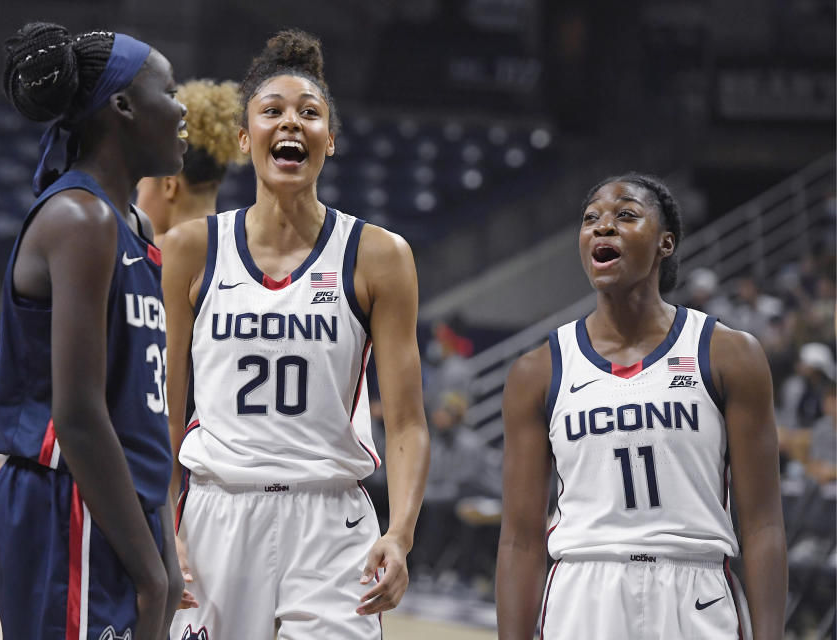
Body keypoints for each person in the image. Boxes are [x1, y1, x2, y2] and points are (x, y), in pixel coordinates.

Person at [162, 29, 430, 638]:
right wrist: (160, 520)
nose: (292, 123)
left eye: (310, 113)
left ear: (329, 141)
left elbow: (409, 420)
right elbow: (167, 410)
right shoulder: (187, 250)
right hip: (215, 513)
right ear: (242, 137)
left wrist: (401, 531)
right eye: (272, 111)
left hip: (330, 518)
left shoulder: (379, 255)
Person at [496, 174, 787, 640]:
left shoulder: (729, 353)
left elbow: (763, 525)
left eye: (625, 215)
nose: (603, 227)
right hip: (584, 589)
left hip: (696, 591)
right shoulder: (538, 371)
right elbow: (520, 539)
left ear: (665, 242)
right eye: (591, 219)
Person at [0, 22, 194, 640]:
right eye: (170, 90)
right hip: (66, 501)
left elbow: (140, 414)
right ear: (123, 105)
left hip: (118, 506)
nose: (181, 108)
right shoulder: (80, 219)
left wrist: (162, 549)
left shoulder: (134, 227)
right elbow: (77, 415)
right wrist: (150, 573)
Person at [136, 79, 247, 247]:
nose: (137, 205)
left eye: (140, 189)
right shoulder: (247, 247)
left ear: (169, 186)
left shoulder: (141, 254)